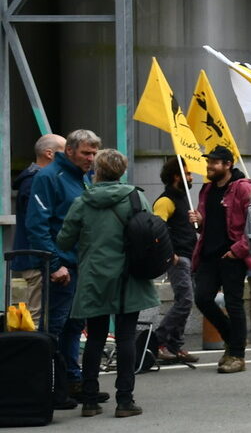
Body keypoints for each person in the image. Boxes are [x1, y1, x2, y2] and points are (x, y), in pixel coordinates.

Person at [55, 149, 159, 418]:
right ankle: (125, 400)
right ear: (122, 171)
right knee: (125, 336)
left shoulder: (83, 201)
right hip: (129, 276)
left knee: (95, 338)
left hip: (94, 276)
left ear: (96, 171)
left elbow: (64, 241)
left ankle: (90, 400)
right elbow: (151, 233)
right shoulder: (136, 197)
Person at [25, 128, 101, 401]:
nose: (91, 158)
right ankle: (51, 387)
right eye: (85, 153)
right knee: (54, 327)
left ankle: (72, 381)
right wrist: (55, 264)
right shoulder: (48, 177)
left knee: (73, 326)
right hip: (62, 269)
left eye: (94, 153)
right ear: (68, 151)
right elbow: (37, 225)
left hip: (79, 266)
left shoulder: (82, 178)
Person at [188, 145, 251, 374]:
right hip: (208, 255)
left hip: (232, 256)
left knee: (234, 304)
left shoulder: (243, 188)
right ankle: (233, 339)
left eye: (215, 162)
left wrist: (240, 249)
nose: (209, 166)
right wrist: (199, 221)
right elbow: (208, 226)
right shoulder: (206, 189)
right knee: (203, 298)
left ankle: (237, 355)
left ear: (228, 164)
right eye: (209, 162)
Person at [10, 133, 65, 329]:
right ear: (49, 154)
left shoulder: (34, 179)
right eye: (64, 151)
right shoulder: (35, 181)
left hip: (38, 257)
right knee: (37, 315)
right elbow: (38, 224)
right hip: (37, 259)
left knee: (40, 314)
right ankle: (35, 357)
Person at [152, 157, 199, 365]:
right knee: (185, 300)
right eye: (187, 174)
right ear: (176, 176)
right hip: (178, 259)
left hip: (189, 256)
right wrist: (170, 255)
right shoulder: (165, 201)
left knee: (185, 301)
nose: (191, 178)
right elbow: (156, 230)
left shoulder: (183, 198)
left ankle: (175, 345)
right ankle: (157, 342)